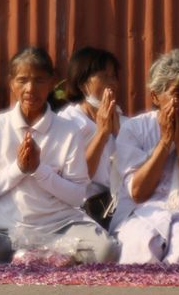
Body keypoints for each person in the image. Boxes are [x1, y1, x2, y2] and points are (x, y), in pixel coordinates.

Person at [0, 47, 117, 264]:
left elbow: (77, 196)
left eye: (39, 81)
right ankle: (50, 256)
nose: (30, 89)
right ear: (11, 83)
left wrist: (39, 170)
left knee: (106, 250)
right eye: (22, 80)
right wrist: (18, 169)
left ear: (51, 83)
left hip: (61, 226)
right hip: (10, 229)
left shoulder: (68, 129)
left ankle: (33, 256)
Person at [111, 50, 179, 266]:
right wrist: (165, 141)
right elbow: (138, 192)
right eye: (177, 93)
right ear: (155, 96)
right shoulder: (134, 129)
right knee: (140, 246)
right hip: (141, 212)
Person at [57, 46, 125, 229]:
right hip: (83, 209)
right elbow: (79, 177)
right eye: (104, 76)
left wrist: (120, 135)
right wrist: (102, 133)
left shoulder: (123, 122)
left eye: (113, 76)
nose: (112, 83)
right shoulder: (66, 123)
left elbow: (137, 171)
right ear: (82, 84)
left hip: (121, 203)